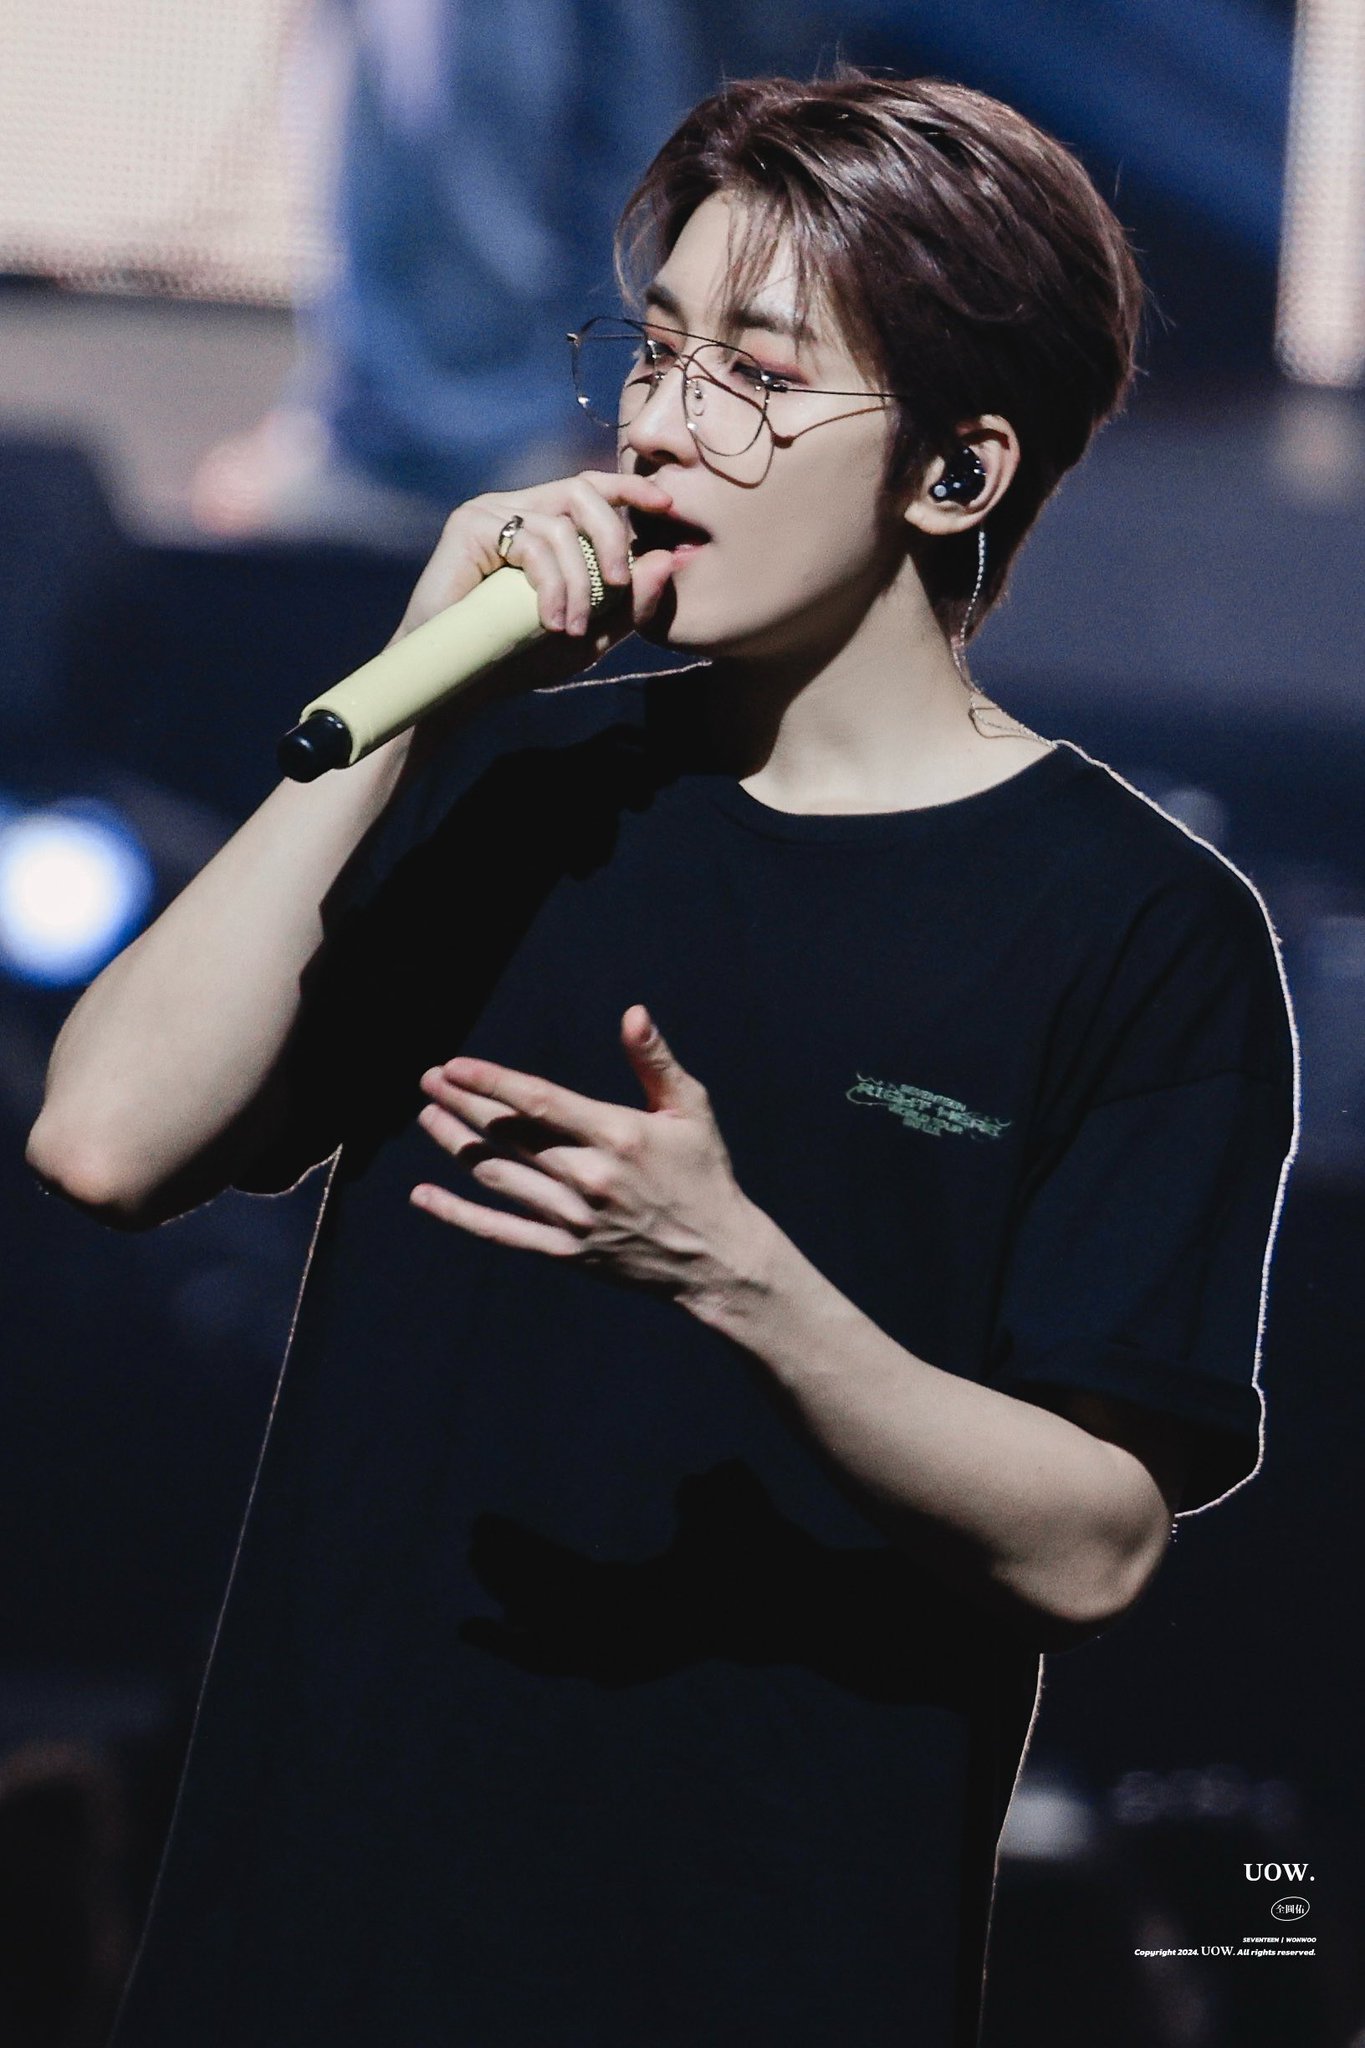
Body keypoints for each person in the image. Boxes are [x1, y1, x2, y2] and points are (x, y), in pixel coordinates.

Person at [28, 67, 1297, 2048]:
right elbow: (103, 1139)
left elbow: (1090, 1539)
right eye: (653, 353)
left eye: (757, 377)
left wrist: (740, 1274)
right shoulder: (516, 785)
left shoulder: (1137, 931)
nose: (657, 425)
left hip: (744, 1962)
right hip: (308, 1928)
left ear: (954, 475)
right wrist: (399, 701)